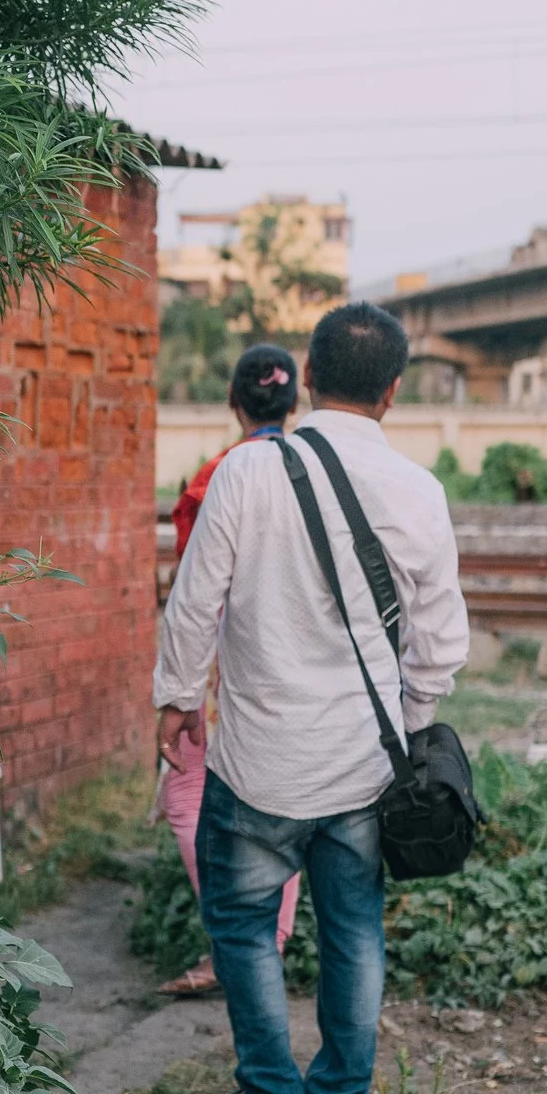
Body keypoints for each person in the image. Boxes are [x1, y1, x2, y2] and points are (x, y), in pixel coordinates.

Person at [152, 303, 467, 1094]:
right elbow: (441, 644)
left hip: (257, 763)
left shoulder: (243, 474)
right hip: (364, 769)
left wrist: (178, 697)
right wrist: (408, 725)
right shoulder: (419, 492)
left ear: (312, 378)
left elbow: (192, 604)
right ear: (393, 392)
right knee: (354, 932)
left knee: (247, 929)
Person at [155, 345, 305, 999]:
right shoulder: (315, 470)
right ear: (294, 403)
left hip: (227, 670)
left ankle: (239, 944)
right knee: (283, 798)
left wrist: (179, 691)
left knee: (185, 797)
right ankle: (268, 937)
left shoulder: (217, 476)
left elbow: (194, 593)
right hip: (303, 669)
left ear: (232, 402)